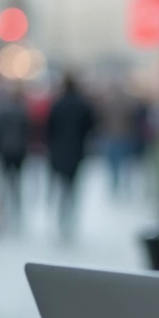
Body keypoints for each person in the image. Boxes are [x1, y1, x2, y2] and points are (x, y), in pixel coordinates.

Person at [46, 73, 96, 239]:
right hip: (76, 151)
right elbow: (90, 126)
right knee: (72, 186)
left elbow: (49, 128)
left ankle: (62, 215)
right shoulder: (82, 105)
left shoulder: (58, 104)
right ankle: (70, 215)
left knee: (61, 185)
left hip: (59, 150)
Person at [0, 83, 31, 225]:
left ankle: (3, 210)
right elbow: (27, 133)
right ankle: (16, 209)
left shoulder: (2, 112)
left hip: (5, 150)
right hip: (18, 151)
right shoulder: (23, 113)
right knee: (17, 182)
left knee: (4, 180)